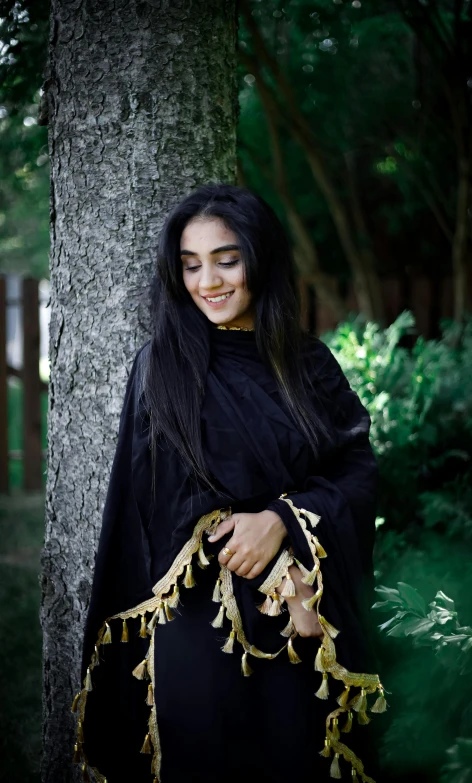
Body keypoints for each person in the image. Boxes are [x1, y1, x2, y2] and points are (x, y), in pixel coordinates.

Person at [71, 184, 388, 783]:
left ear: (259, 258)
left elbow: (355, 470)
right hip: (203, 629)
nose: (208, 282)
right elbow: (162, 492)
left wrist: (283, 523)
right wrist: (275, 568)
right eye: (191, 266)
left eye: (226, 259)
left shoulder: (308, 363)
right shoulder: (162, 365)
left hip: (304, 626)